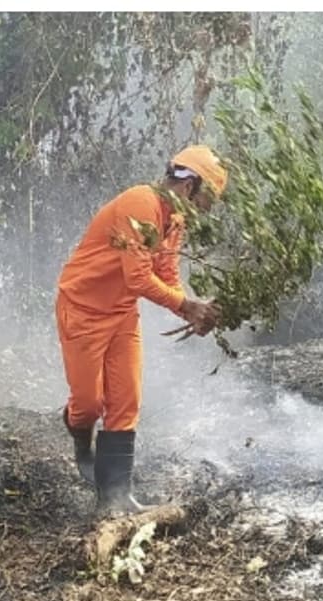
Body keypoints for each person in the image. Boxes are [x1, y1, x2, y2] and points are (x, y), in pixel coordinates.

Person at [57, 145, 225, 516]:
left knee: (126, 399)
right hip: (83, 309)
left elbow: (166, 274)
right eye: (207, 199)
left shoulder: (174, 221)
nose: (206, 209)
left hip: (121, 314)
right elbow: (137, 278)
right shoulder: (140, 203)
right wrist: (186, 306)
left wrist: (194, 312)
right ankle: (78, 432)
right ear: (188, 185)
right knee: (88, 404)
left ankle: (114, 499)